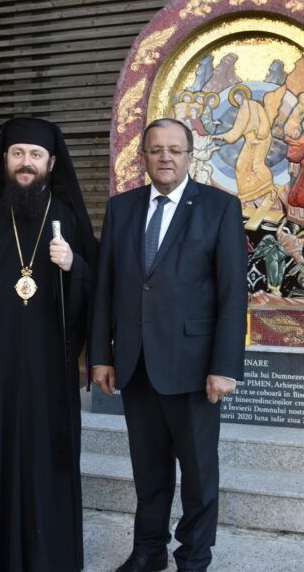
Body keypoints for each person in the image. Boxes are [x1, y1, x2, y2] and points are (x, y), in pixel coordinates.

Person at [90, 118, 248, 572]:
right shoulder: (121, 208)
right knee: (148, 468)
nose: (165, 157)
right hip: (135, 362)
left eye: (175, 150)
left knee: (198, 473)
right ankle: (148, 550)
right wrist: (101, 355)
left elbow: (232, 293)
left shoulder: (219, 207)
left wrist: (225, 366)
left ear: (189, 156)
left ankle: (194, 557)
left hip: (194, 366)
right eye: (156, 149)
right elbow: (105, 287)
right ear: (143, 156)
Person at [0, 117, 96, 572]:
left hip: (52, 362)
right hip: (1, 360)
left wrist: (73, 266)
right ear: (5, 160)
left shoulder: (68, 218)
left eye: (35, 155)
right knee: (1, 453)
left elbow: (96, 288)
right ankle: (0, 553)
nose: (25, 163)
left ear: (51, 163)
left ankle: (52, 554)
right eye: (17, 154)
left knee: (50, 454)